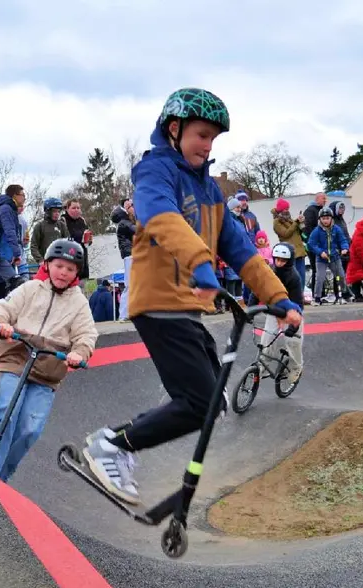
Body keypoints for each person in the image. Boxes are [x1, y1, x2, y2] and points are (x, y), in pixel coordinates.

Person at [74, 88, 301, 505]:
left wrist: (279, 298)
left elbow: (241, 249)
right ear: (174, 130)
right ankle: (113, 446)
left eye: (214, 139)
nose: (207, 145)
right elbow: (164, 220)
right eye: (201, 135)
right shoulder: (155, 172)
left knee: (210, 402)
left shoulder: (211, 190)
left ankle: (118, 442)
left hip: (187, 308)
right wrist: (200, 263)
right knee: (199, 402)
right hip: (158, 301)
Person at [0, 239, 97, 482]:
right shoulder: (30, 289)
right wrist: (1, 324)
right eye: (59, 266)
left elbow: (86, 334)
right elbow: (4, 308)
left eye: (70, 269)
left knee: (31, 428)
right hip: (17, 356)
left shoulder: (78, 302)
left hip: (48, 369)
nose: (64, 272)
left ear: (77, 274)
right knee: (7, 410)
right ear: (48, 265)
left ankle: (1, 477)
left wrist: (79, 353)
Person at [263, 242, 304, 384]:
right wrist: (250, 309)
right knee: (267, 338)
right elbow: (258, 291)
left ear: (289, 260)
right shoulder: (269, 271)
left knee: (292, 342)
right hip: (274, 310)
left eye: (283, 260)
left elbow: (298, 303)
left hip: (292, 312)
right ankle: (263, 365)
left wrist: (293, 327)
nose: (279, 263)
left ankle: (295, 367)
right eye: (277, 259)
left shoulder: (294, 277)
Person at [308, 206, 349, 303]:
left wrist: (344, 248)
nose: (325, 221)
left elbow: (343, 240)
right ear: (320, 219)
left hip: (334, 257)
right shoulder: (316, 231)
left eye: (327, 218)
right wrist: (320, 252)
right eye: (323, 219)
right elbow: (311, 244)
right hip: (321, 258)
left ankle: (342, 295)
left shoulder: (336, 229)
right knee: (320, 277)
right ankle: (317, 298)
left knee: (341, 276)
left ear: (331, 219)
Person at [271, 198, 306, 288]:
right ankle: (292, 297)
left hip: (299, 252)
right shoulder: (276, 222)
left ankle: (300, 297)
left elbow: (297, 233)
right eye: (286, 208)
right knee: (292, 278)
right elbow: (285, 234)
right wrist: (296, 222)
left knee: (302, 277)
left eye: (288, 208)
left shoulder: (289, 219)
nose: (287, 210)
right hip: (289, 253)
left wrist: (300, 224)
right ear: (280, 209)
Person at [111, 198, 136, 320]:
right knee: (130, 284)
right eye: (131, 206)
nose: (133, 207)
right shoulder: (125, 223)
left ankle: (128, 313)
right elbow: (138, 231)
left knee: (133, 284)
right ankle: (125, 314)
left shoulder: (125, 222)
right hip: (130, 254)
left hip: (131, 254)